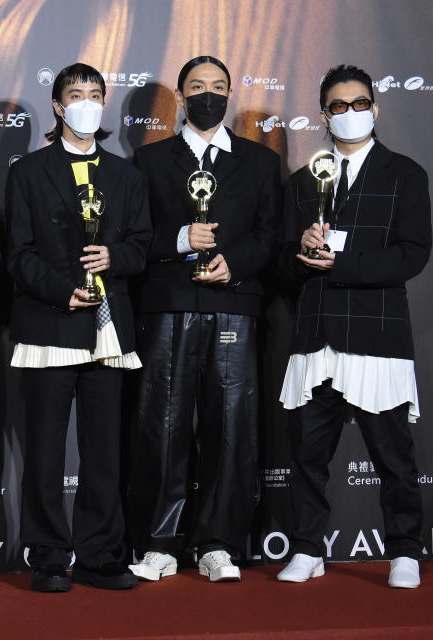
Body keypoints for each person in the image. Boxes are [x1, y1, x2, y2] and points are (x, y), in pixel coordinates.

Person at [127, 56, 282, 583]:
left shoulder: (260, 163)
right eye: (198, 87)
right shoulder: (147, 163)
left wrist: (233, 264)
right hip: (168, 303)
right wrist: (177, 241)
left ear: (231, 94)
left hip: (234, 302)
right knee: (162, 424)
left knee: (231, 427)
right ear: (181, 94)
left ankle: (219, 543)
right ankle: (158, 543)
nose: (208, 94)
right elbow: (132, 238)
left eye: (218, 87)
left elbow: (270, 234)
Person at [275, 64, 431, 588]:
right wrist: (301, 252)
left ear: (375, 108)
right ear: (324, 115)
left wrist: (342, 265)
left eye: (359, 103)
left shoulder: (405, 174)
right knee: (306, 455)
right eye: (338, 107)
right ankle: (307, 548)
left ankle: (405, 550)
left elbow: (412, 255)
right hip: (316, 336)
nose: (349, 113)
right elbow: (281, 262)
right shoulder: (302, 183)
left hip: (375, 335)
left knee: (392, 454)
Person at [7, 63, 150, 592]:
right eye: (76, 94)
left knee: (104, 449)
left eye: (96, 94)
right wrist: (57, 287)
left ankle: (101, 553)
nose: (87, 102)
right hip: (50, 322)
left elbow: (142, 245)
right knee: (44, 449)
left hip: (109, 330)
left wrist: (114, 256)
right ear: (59, 107)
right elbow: (17, 253)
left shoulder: (127, 175)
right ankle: (47, 555)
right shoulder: (27, 172)